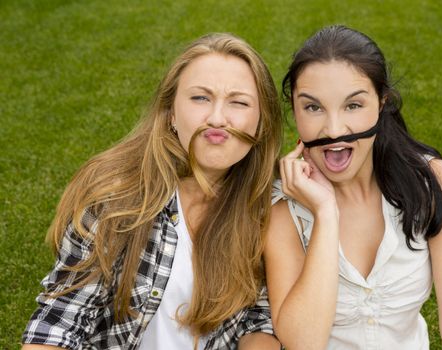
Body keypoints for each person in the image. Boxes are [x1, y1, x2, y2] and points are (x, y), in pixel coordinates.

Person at [22, 33, 283, 350]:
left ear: (262, 122)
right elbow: (60, 324)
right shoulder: (116, 196)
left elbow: (259, 320)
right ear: (171, 113)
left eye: (239, 102)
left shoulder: (268, 203)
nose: (217, 118)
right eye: (200, 98)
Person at [265, 25, 442, 349]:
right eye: (313, 107)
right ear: (294, 109)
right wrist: (326, 214)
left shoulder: (432, 182)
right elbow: (302, 342)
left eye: (353, 105)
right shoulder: (283, 207)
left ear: (381, 103)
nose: (334, 129)